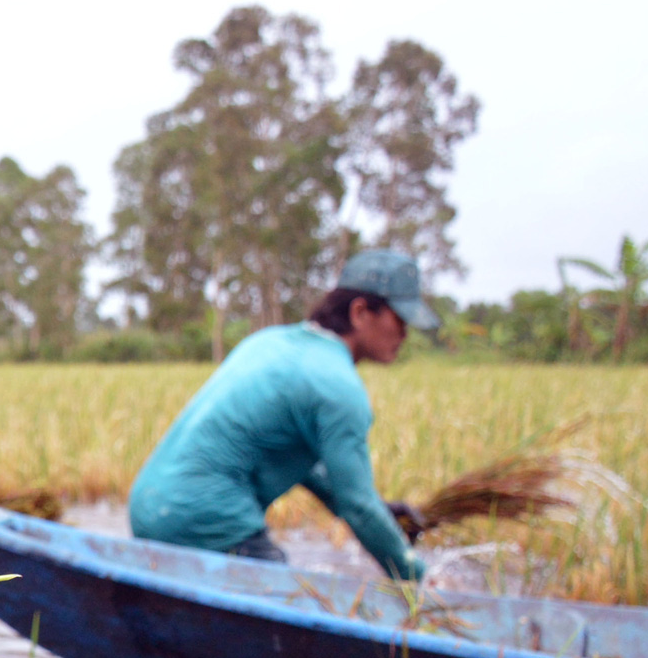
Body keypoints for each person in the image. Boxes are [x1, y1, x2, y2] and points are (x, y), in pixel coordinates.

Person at [127, 249, 438, 581]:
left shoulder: (268, 343)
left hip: (148, 507)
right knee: (287, 604)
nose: (405, 334)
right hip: (204, 518)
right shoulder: (340, 388)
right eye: (399, 319)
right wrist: (422, 580)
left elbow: (319, 475)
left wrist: (382, 514)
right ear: (360, 312)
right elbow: (356, 506)